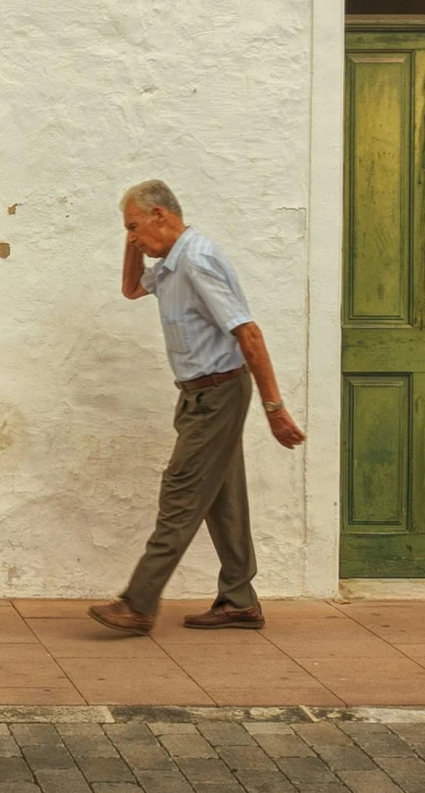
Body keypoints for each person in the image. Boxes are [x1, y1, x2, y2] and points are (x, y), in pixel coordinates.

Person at [88, 180, 307, 635]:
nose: (132, 236)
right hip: (199, 394)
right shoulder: (169, 264)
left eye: (136, 226)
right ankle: (239, 601)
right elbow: (130, 289)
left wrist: (275, 407)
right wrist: (132, 239)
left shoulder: (196, 260)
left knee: (181, 493)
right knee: (222, 499)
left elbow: (248, 333)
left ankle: (138, 603)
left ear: (161, 216)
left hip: (219, 394)